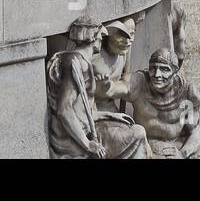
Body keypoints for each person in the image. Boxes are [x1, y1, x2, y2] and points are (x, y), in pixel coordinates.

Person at [47, 17, 149, 158]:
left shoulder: (81, 61)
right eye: (101, 35)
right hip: (75, 140)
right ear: (91, 37)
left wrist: (112, 115)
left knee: (135, 130)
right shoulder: (76, 63)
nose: (102, 39)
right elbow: (64, 110)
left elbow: (82, 113)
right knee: (138, 133)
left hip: (86, 128)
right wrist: (87, 144)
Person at [124, 49, 200, 158]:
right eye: (153, 68)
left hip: (172, 150)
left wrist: (182, 154)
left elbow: (194, 131)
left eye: (164, 69)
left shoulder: (186, 92)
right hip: (142, 148)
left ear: (175, 72)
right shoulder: (140, 82)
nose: (157, 74)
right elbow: (114, 89)